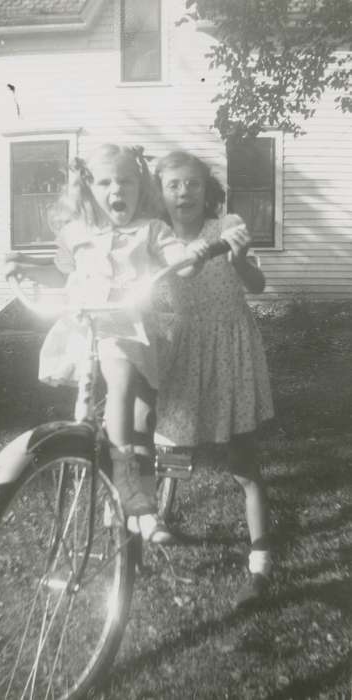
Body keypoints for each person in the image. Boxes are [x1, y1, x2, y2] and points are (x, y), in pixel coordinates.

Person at [5, 144, 204, 544]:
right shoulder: (79, 234)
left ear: (140, 186)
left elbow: (177, 258)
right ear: (89, 188)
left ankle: (134, 497)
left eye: (126, 181)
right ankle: (111, 479)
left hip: (133, 331)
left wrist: (191, 254)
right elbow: (65, 274)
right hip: (88, 330)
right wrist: (22, 265)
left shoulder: (151, 229)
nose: (117, 190)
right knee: (109, 392)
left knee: (134, 406)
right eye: (106, 182)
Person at [154, 150, 274, 605]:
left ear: (208, 192)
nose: (184, 192)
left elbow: (256, 285)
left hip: (229, 349)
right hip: (182, 350)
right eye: (173, 185)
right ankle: (159, 519)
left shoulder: (226, 227)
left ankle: (261, 558)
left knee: (242, 460)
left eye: (193, 184)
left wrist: (240, 258)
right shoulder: (154, 238)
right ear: (159, 193)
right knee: (171, 441)